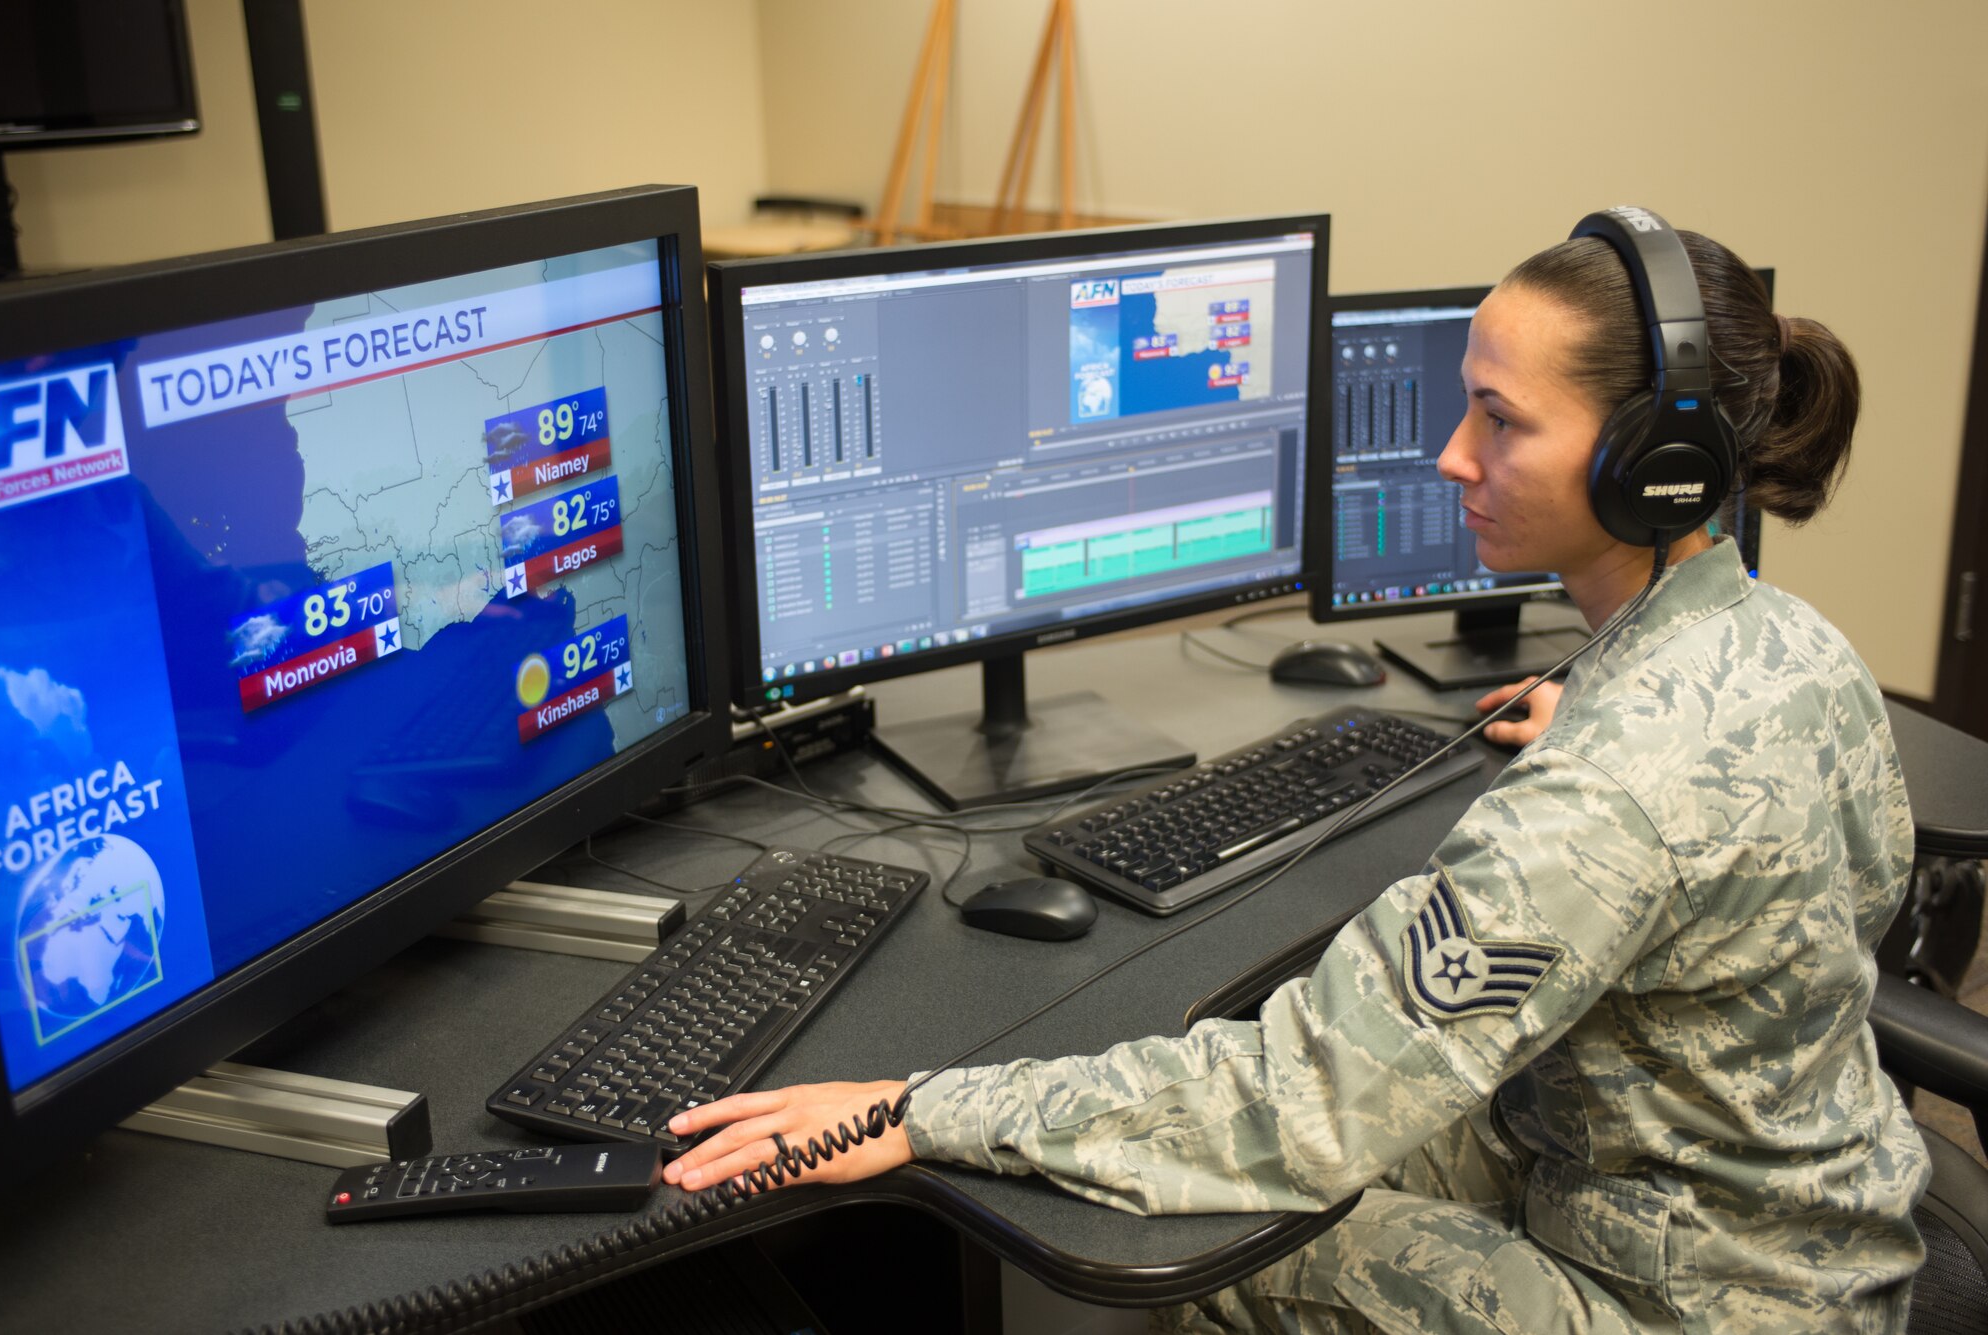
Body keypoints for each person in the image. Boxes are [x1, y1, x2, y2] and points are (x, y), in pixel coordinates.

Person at [661, 212, 1932, 1334]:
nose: (1449, 455)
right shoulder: (1789, 651)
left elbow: (1300, 1105)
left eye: (1499, 419)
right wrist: (1598, 715)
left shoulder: (1607, 798)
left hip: (1679, 1298)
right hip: (1801, 1225)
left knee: (1177, 1246)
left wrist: (919, 1109)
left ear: (1651, 461)